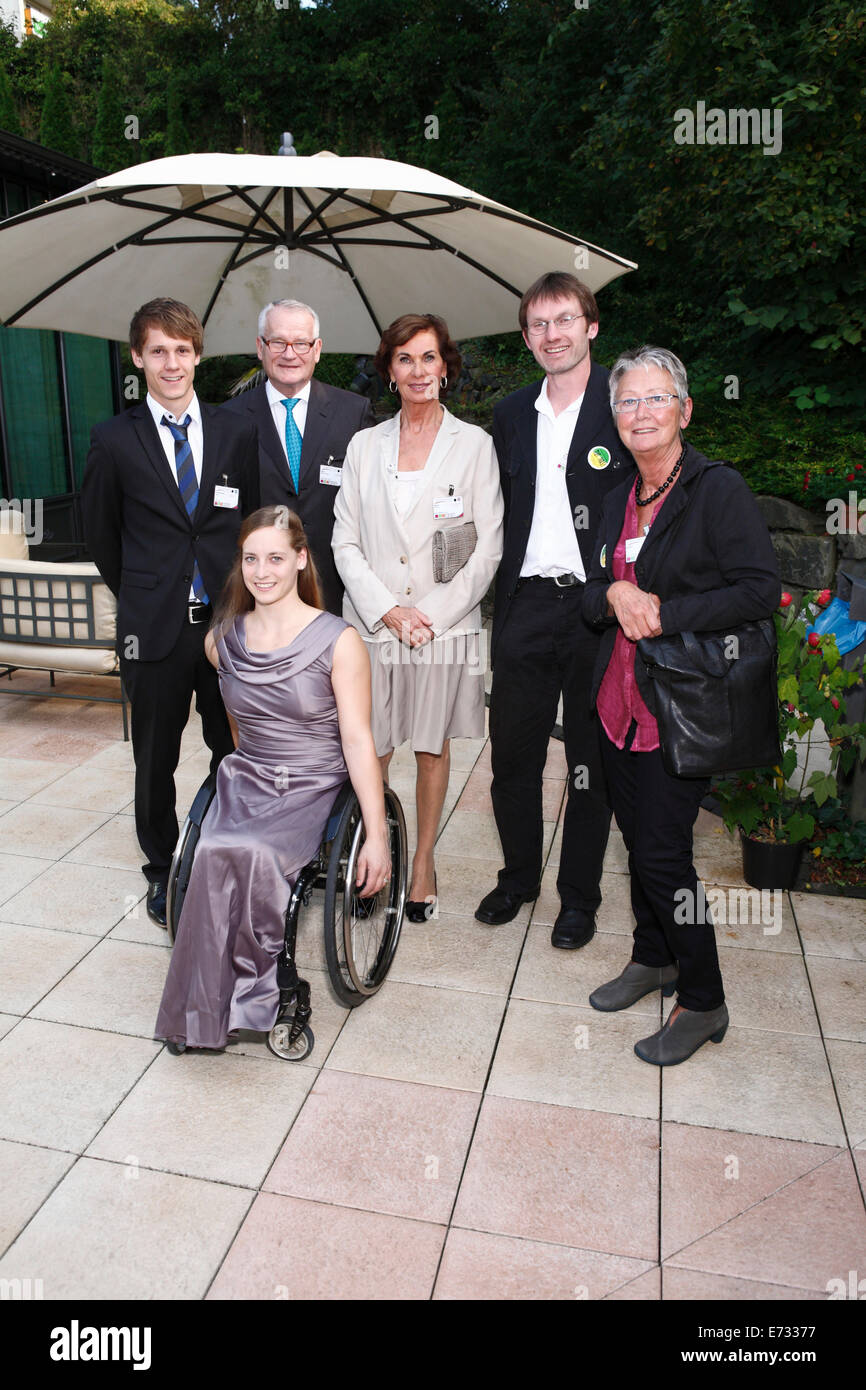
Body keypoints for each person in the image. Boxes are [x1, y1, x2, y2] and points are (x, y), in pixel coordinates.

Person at [582, 346, 780, 1064]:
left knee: (665, 855)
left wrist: (665, 612)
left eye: (656, 398)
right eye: (628, 402)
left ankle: (703, 998)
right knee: (636, 844)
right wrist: (611, 592)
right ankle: (652, 956)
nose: (641, 413)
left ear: (685, 409)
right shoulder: (614, 499)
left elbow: (759, 592)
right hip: (619, 703)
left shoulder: (716, 491)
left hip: (682, 707)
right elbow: (584, 592)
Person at [155, 505, 391, 1051]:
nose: (263, 571)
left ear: (301, 560)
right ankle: (204, 1004)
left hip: (313, 783)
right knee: (212, 848)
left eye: (276, 558)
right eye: (251, 559)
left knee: (255, 853)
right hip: (249, 774)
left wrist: (375, 836)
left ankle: (254, 994)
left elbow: (358, 740)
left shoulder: (339, 641)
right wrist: (248, 769)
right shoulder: (222, 641)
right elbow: (240, 722)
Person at [81, 298, 259, 927]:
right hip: (152, 632)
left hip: (224, 628)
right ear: (138, 358)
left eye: (183, 350)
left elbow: (250, 524)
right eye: (159, 351)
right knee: (154, 758)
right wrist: (144, 592)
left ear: (198, 356)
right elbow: (100, 535)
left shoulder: (235, 430)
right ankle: (161, 870)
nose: (172, 362)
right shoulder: (113, 438)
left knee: (230, 748)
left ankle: (215, 851)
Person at [475, 272, 633, 946]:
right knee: (512, 755)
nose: (552, 334)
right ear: (526, 336)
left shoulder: (625, 407)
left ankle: (579, 899)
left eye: (564, 319)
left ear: (591, 326)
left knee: (589, 761)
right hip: (524, 605)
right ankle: (518, 879)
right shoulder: (510, 416)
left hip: (595, 609)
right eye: (538, 324)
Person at [332, 312, 503, 922]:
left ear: (446, 367)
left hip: (444, 631)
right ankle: (370, 856)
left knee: (431, 749)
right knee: (370, 748)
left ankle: (423, 863)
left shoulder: (475, 445)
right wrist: (388, 611)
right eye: (405, 358)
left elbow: (488, 548)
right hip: (373, 628)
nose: (418, 370)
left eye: (428, 357)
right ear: (389, 370)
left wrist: (426, 614)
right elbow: (343, 542)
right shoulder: (362, 445)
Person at [221, 298, 375, 615]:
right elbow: (224, 516)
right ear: (260, 347)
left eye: (301, 343)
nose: (290, 354)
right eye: (278, 342)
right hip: (259, 597)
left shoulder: (353, 413)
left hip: (337, 591)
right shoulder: (228, 421)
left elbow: (373, 506)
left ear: (317, 349)